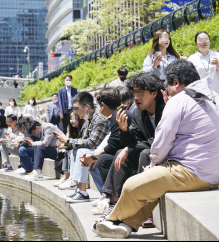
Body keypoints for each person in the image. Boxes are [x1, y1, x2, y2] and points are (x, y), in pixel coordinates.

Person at [93, 60, 219, 239]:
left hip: (192, 172)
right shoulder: (215, 95)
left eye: (167, 85)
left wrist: (153, 166)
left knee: (133, 185)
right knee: (154, 186)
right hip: (213, 173)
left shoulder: (179, 100)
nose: (166, 90)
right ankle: (128, 224)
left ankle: (110, 220)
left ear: (175, 82)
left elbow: (161, 143)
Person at [92, 72, 165, 221]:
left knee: (145, 153)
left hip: (167, 156)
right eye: (134, 93)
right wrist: (124, 131)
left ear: (154, 93)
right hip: (149, 156)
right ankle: (114, 203)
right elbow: (133, 142)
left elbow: (160, 140)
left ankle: (142, 209)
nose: (136, 97)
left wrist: (129, 149)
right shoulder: (139, 114)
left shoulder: (166, 110)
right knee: (120, 153)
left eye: (141, 93)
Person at [54, 92, 112, 203]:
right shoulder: (90, 119)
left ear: (87, 107)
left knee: (82, 152)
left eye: (76, 108)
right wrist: (67, 143)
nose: (74, 112)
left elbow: (92, 143)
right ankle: (80, 191)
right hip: (98, 151)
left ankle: (83, 191)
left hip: (105, 152)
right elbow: (84, 140)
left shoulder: (99, 119)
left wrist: (68, 141)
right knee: (77, 150)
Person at [54, 112, 86, 188]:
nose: (72, 121)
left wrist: (66, 145)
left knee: (72, 151)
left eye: (74, 118)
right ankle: (66, 178)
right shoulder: (73, 130)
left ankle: (72, 179)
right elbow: (72, 143)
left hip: (82, 150)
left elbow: (81, 143)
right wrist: (64, 145)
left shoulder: (84, 128)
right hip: (75, 149)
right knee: (67, 152)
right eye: (70, 118)